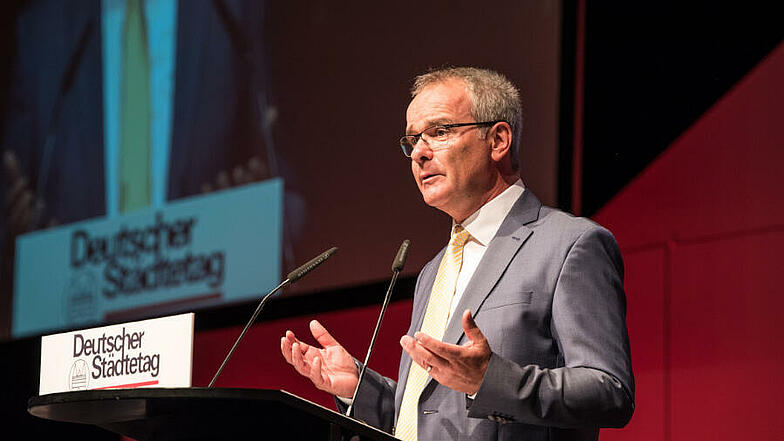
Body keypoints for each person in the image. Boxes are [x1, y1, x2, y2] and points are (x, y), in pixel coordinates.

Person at [280, 67, 634, 441]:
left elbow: (609, 390)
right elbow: (429, 416)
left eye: (439, 132)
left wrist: (490, 381)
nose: (418, 152)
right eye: (412, 140)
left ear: (498, 140)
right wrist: (358, 387)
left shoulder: (570, 245)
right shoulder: (436, 270)